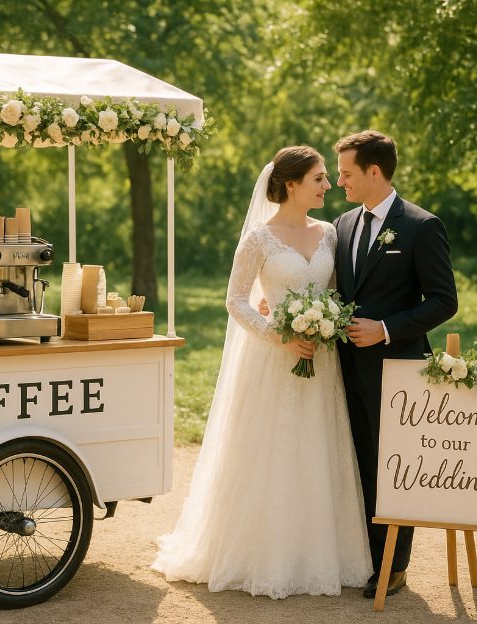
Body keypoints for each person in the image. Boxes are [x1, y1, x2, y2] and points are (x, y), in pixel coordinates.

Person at [152, 146, 372, 599]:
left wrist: (323, 321)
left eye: (328, 177)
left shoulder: (330, 233)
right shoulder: (258, 239)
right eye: (319, 178)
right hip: (276, 358)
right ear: (291, 184)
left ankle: (320, 553)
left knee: (318, 448)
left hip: (322, 360)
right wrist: (280, 334)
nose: (328, 185)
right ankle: (263, 554)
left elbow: (333, 292)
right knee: (271, 451)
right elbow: (234, 300)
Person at [332, 130, 458, 598]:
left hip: (398, 368)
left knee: (394, 466)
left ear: (374, 171)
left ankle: (394, 566)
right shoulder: (342, 225)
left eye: (346, 172)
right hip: (344, 369)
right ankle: (368, 555)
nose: (339, 180)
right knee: (360, 462)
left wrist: (385, 328)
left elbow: (444, 301)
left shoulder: (422, 226)